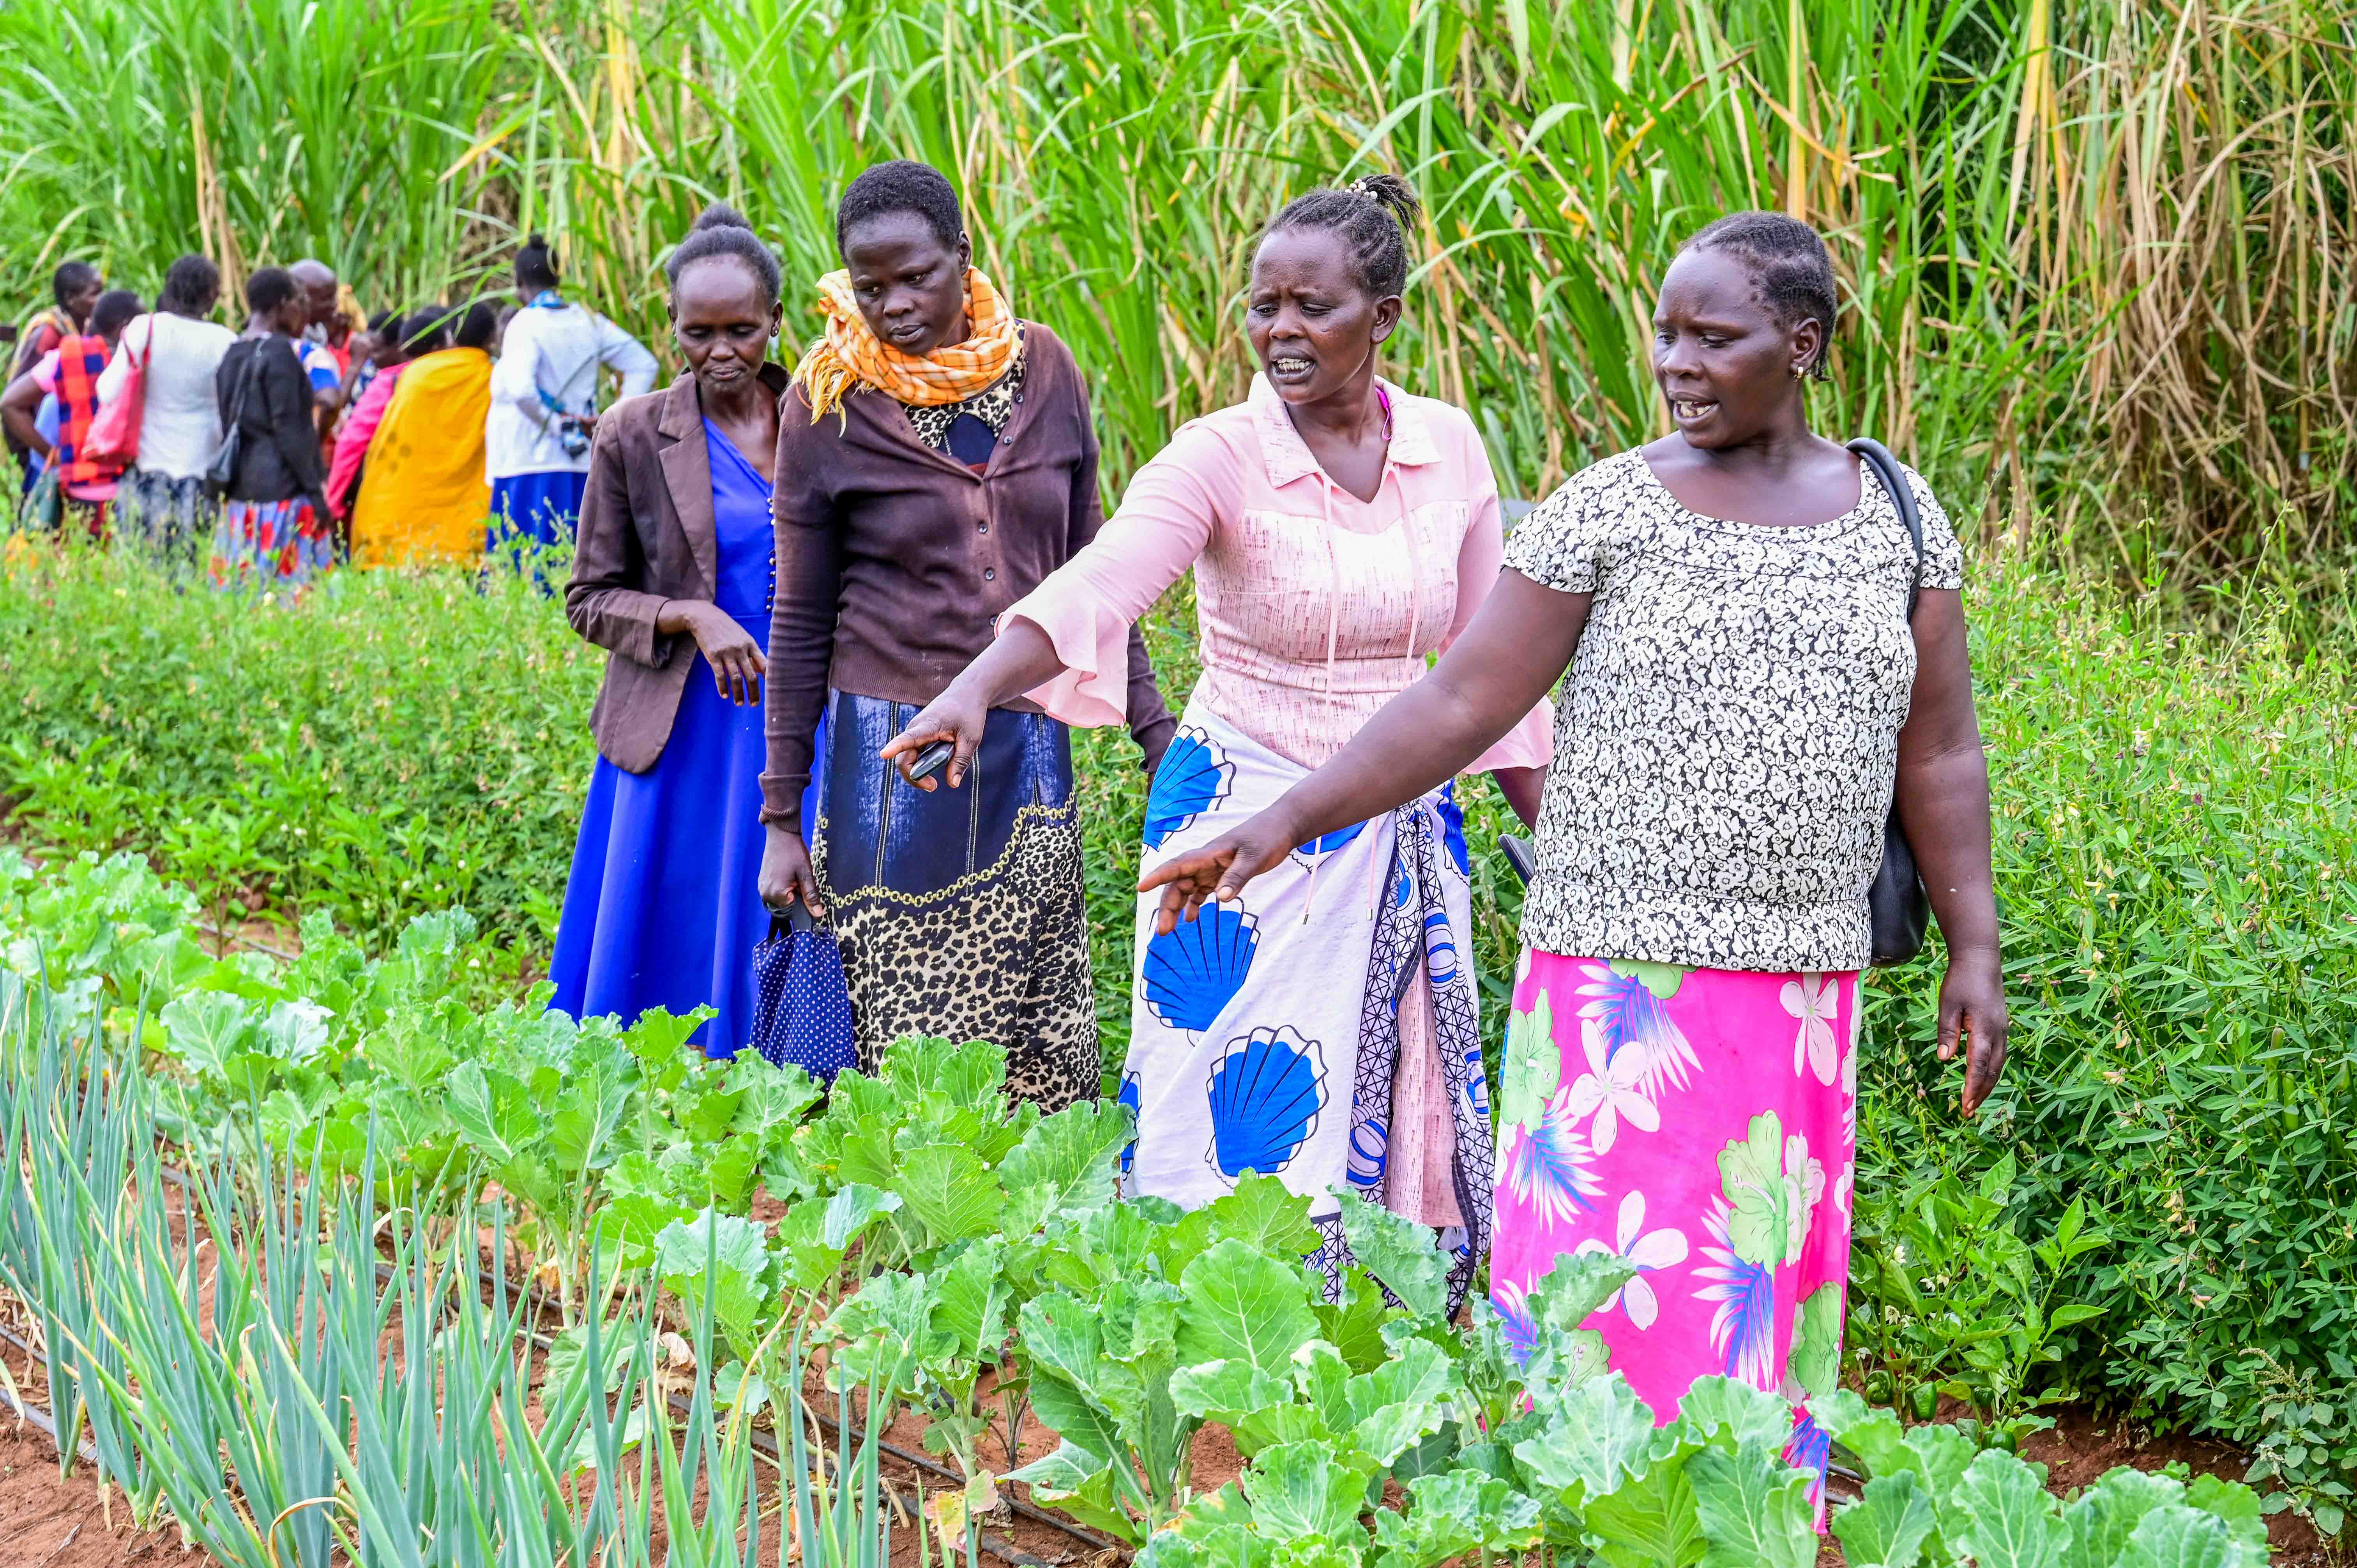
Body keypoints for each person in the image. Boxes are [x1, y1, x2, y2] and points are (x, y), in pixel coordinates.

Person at [1139, 211, 2010, 1517]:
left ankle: (1742, 1515)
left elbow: (1936, 750)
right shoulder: (1611, 507)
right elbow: (1454, 707)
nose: (1675, 362)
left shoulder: (1892, 514)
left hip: (1795, 992)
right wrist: (1281, 821)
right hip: (1618, 981)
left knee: (1745, 1272)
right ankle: (1578, 1512)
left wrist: (1974, 944)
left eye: (1711, 338)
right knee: (1604, 1283)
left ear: (1803, 344)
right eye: (1664, 335)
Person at [878, 176, 1548, 1271]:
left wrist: (1560, 835)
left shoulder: (1447, 449)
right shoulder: (1220, 453)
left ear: (1383, 317)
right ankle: (1210, 1330)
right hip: (1237, 822)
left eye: (1312, 308)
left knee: (1386, 1080)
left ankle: (1360, 1334)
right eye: (1263, 306)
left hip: (1400, 813)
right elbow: (1102, 584)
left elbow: (1494, 672)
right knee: (1232, 1091)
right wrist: (974, 687)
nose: (1282, 331)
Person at [755, 159, 1177, 1110]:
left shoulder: (1048, 369)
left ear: (964, 257)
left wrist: (1162, 739)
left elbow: (1096, 576)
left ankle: (1029, 1231)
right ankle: (903, 1235)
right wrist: (782, 817)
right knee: (903, 1024)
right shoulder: (826, 403)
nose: (895, 304)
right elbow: (798, 618)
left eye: (918, 277)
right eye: (871, 287)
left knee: (1037, 1019)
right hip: (892, 758)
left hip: (1028, 740)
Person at [550, 205, 807, 1055]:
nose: (723, 351)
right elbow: (588, 595)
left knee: (778, 892)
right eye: (700, 332)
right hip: (684, 720)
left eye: (743, 329)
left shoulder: (820, 421)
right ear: (672, 330)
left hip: (796, 717)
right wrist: (690, 615)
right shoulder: (635, 432)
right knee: (677, 899)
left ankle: (773, 1070)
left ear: (778, 319)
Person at [485, 233, 657, 558]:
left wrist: (559, 426)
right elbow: (644, 365)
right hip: (582, 463)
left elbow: (522, 391)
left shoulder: (524, 324)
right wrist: (611, 420)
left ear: (519, 282)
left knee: (526, 567)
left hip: (531, 462)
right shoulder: (588, 321)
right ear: (558, 276)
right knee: (575, 558)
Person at [99, 254, 236, 559]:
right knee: (192, 565)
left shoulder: (144, 329)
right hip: (203, 469)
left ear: (171, 287)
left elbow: (107, 391)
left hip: (147, 468)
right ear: (212, 295)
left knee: (142, 565)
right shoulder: (225, 341)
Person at [207, 268, 334, 592]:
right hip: (283, 495)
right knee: (289, 598)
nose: (304, 312)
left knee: (243, 595)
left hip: (241, 497)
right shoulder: (280, 353)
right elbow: (291, 431)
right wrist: (317, 495)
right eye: (299, 302)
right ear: (281, 304)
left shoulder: (232, 354)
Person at [348, 301, 498, 568]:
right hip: (462, 522)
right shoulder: (493, 378)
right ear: (492, 339)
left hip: (395, 518)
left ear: (451, 336)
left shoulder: (416, 374)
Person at [2, 288, 144, 538]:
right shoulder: (141, 361)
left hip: (79, 489)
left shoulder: (66, 357)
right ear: (125, 328)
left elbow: (10, 404)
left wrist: (53, 455)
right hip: (132, 490)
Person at [7, 261, 101, 494]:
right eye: (95, 294)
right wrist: (43, 453)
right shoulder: (49, 336)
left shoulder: (81, 331)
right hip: (44, 449)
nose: (102, 299)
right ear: (71, 300)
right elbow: (19, 399)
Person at [327, 305, 427, 519]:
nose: (371, 357)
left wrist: (334, 502)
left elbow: (352, 442)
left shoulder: (388, 381)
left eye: (377, 351)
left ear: (399, 347)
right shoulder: (371, 373)